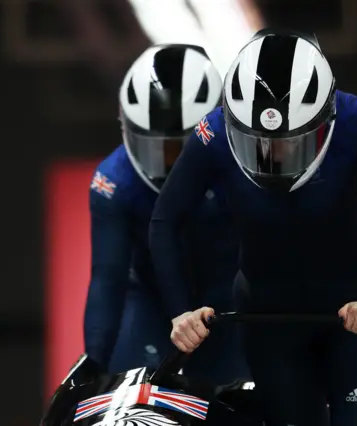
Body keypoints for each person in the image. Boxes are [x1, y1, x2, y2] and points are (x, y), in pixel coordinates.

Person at [149, 29, 357, 426]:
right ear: (233, 122)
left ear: (324, 122)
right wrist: (180, 312)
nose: (274, 154)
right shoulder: (212, 134)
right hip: (268, 323)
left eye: (293, 141)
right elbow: (164, 221)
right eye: (258, 141)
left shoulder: (356, 121)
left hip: (353, 316)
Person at [83, 43, 249, 384]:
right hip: (152, 308)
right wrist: (94, 361)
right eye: (153, 147)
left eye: (182, 149)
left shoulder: (247, 171)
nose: (168, 164)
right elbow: (108, 279)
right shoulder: (113, 181)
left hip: (232, 309)